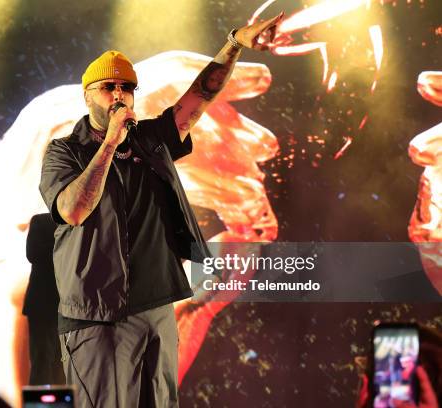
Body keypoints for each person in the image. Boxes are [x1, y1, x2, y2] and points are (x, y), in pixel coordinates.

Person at [39, 14, 283, 407]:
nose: (119, 94)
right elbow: (72, 211)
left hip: (155, 306)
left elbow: (199, 97)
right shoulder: (64, 151)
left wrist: (235, 42)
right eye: (108, 87)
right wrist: (109, 145)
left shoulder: (152, 139)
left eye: (127, 88)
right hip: (95, 313)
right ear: (87, 95)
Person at [22, 213, 65, 385]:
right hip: (44, 303)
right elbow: (33, 254)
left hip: (69, 305)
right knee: (42, 361)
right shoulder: (41, 221)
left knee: (62, 364)